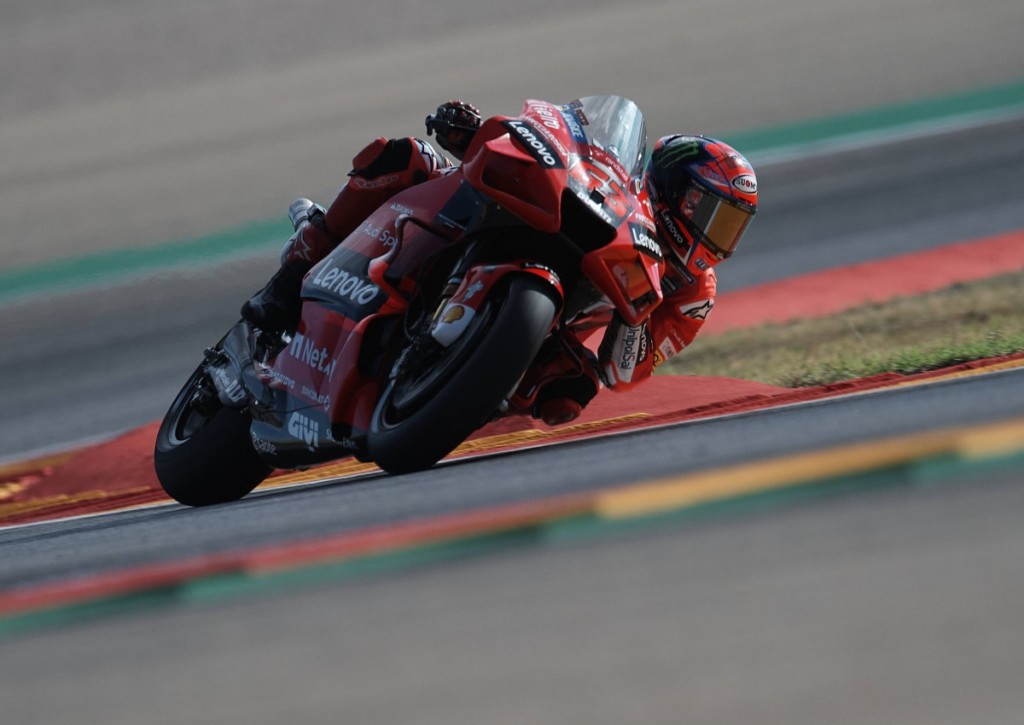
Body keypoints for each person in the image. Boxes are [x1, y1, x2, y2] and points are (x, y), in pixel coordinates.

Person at [241, 101, 758, 425]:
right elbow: (559, 142)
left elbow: (626, 372)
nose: (716, 234)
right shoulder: (620, 187)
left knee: (569, 394)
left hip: (547, 330)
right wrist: (473, 133)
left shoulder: (693, 291)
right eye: (710, 212)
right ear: (674, 189)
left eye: (730, 225)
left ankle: (460, 391)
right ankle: (295, 272)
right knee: (406, 157)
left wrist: (639, 306)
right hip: (498, 233)